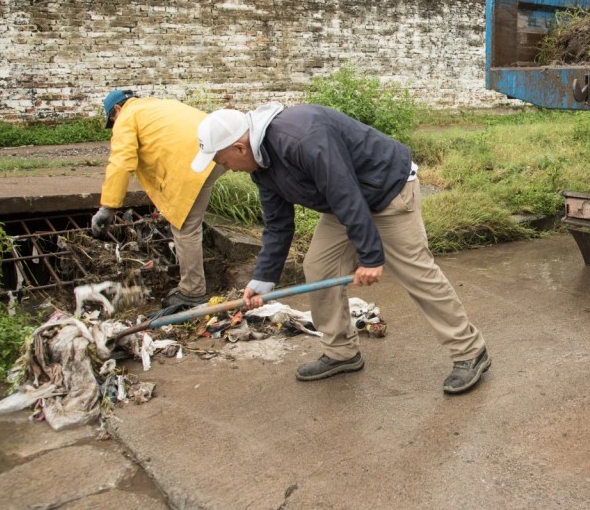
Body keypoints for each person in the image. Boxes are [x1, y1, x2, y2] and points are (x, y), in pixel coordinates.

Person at [190, 103, 491, 394]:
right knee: (320, 267)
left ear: (239, 148)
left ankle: (469, 351)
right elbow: (278, 224)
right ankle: (341, 351)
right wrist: (263, 279)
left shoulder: (301, 136)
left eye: (222, 161)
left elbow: (344, 189)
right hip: (344, 203)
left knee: (416, 272)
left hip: (387, 189)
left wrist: (371, 257)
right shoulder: (262, 165)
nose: (226, 168)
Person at [92, 90, 225, 309]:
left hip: (192, 163)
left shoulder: (127, 116)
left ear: (117, 109)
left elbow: (121, 162)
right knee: (190, 221)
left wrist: (108, 207)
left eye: (112, 120)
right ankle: (192, 285)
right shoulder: (157, 105)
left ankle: (192, 292)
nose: (114, 125)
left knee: (185, 227)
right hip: (217, 152)